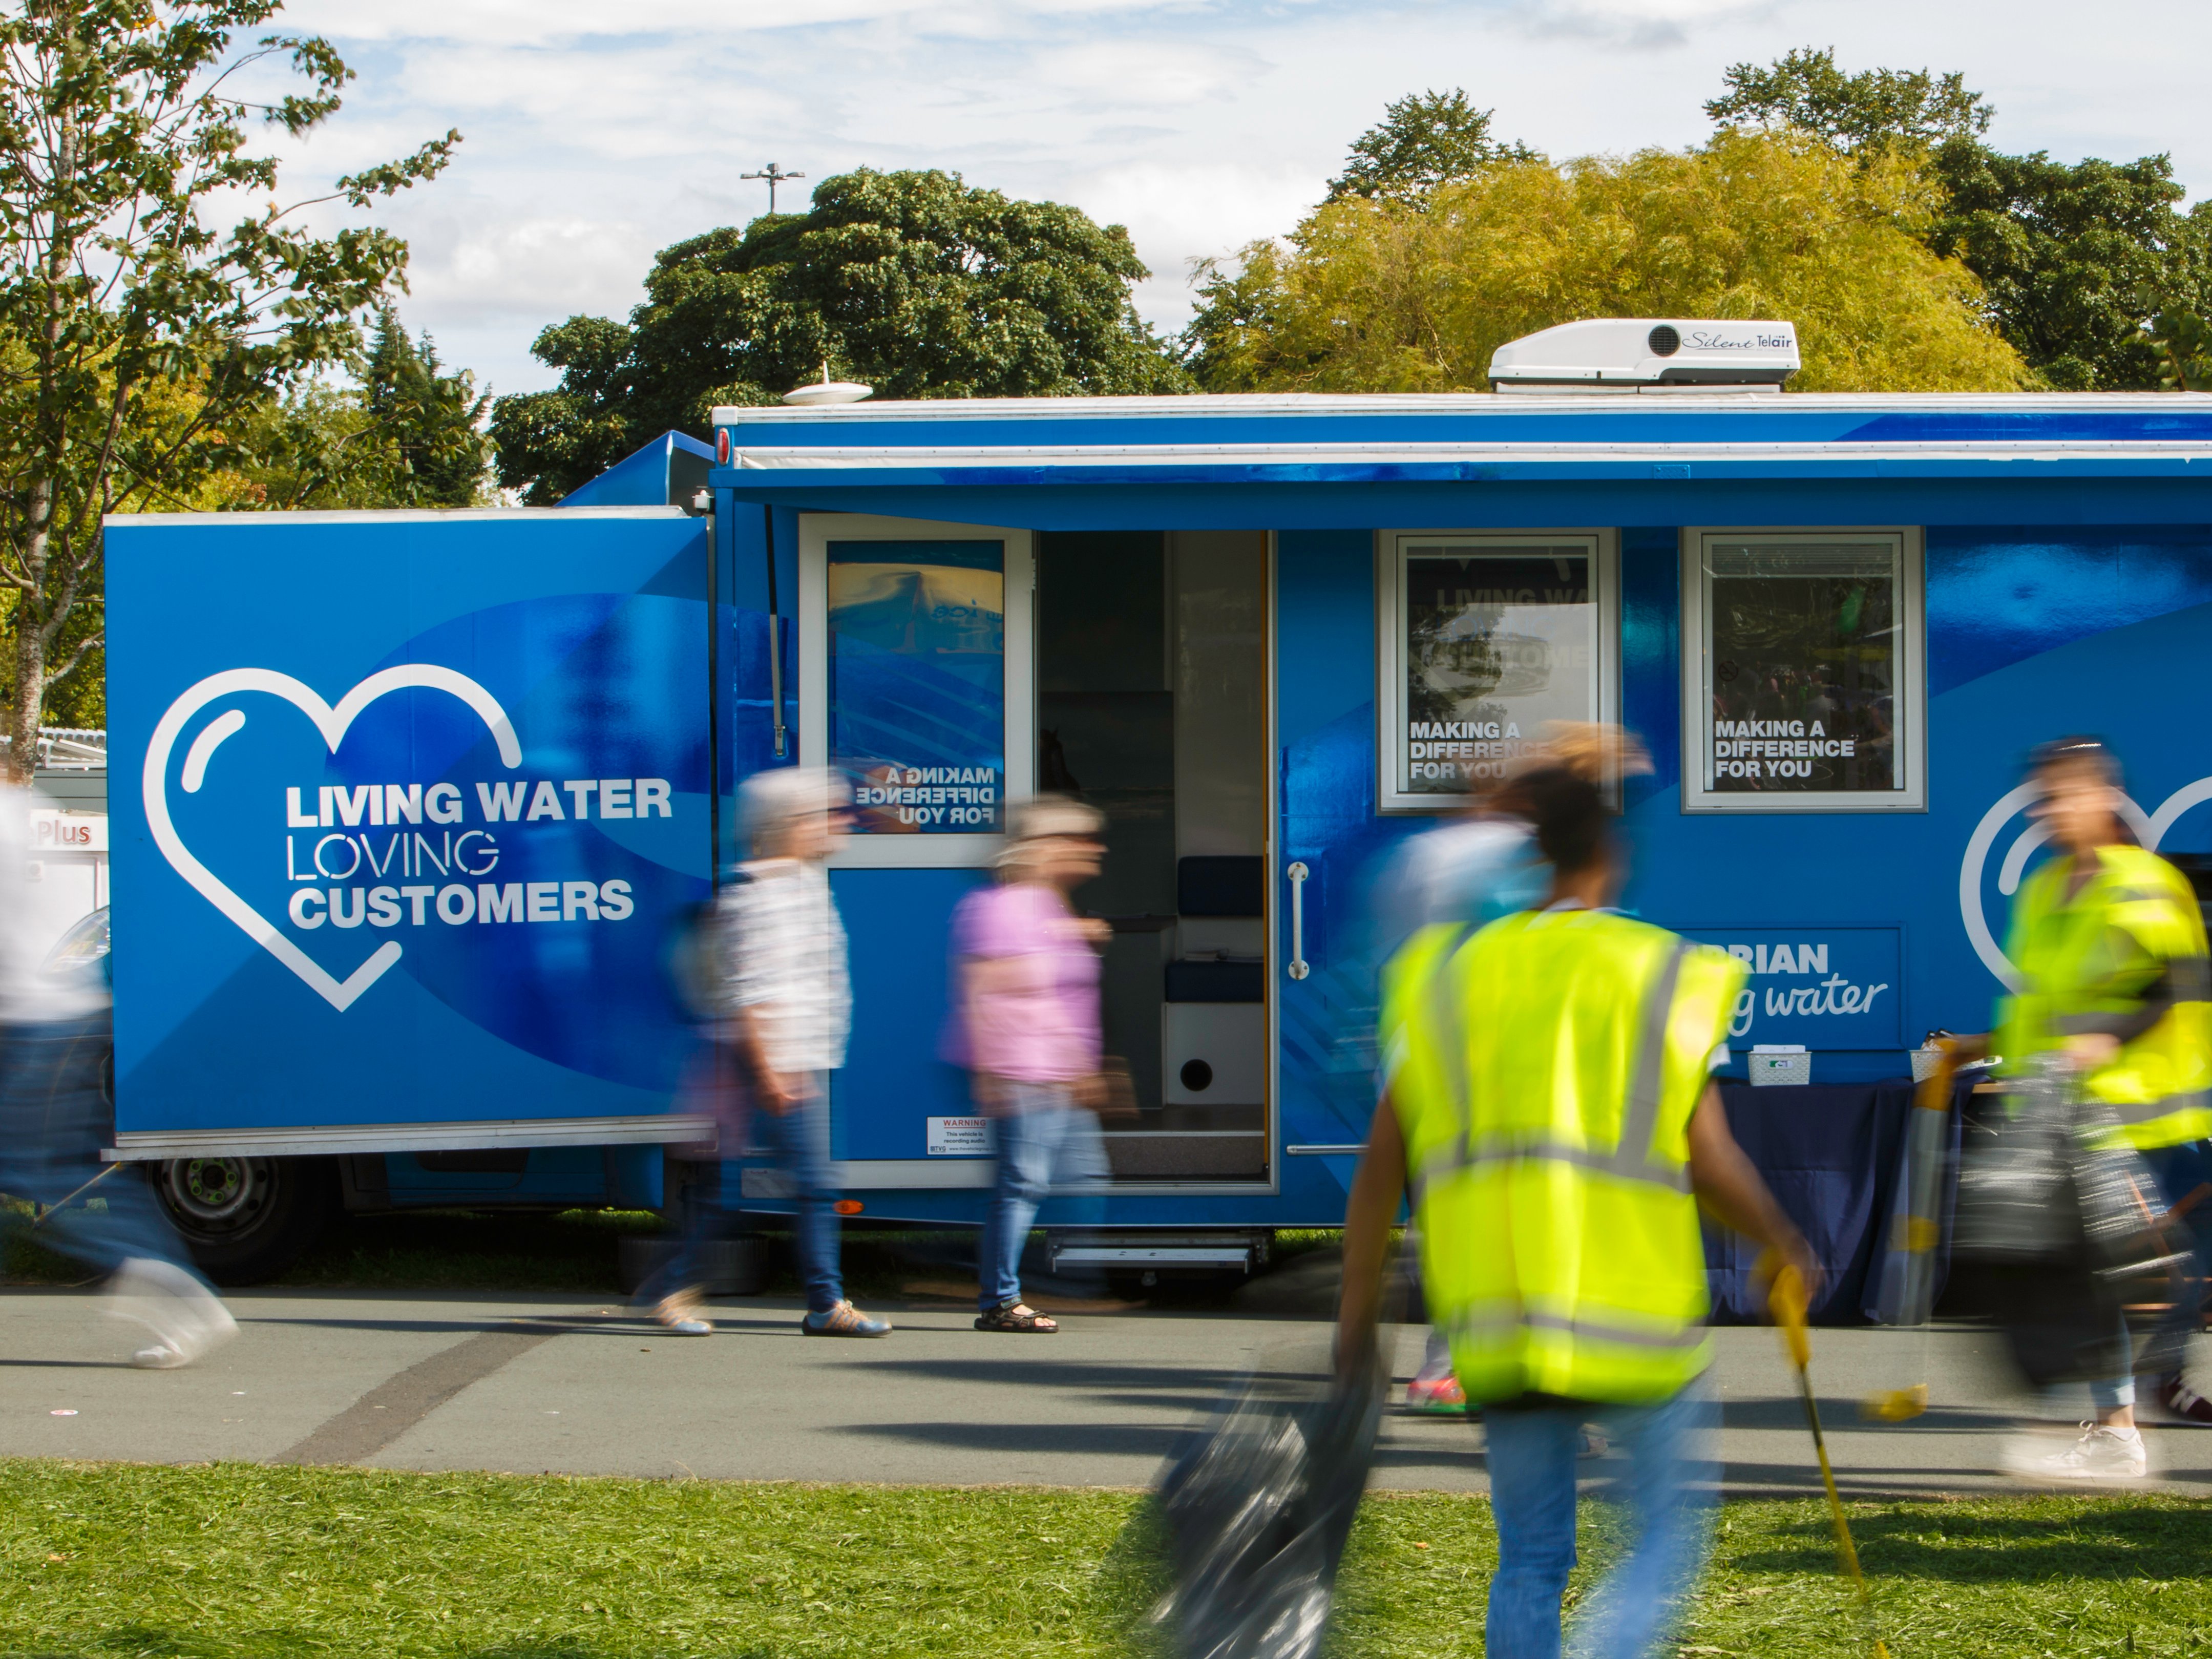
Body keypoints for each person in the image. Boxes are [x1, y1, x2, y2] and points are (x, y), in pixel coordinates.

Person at [1339, 766, 1818, 1659]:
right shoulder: (1659, 969)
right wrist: (1780, 1240)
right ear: (1608, 855)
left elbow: (1379, 1166)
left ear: (1534, 855)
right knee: (1655, 1541)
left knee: (1526, 1558)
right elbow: (1706, 1158)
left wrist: (1356, 1321)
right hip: (1633, 1322)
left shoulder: (1448, 976)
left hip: (1500, 1325)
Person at [1367, 724, 1649, 1414]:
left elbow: (1390, 957)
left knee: (1443, 1216)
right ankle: (1531, 1366)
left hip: (1424, 1061)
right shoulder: (1524, 857)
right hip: (1511, 1065)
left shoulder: (1418, 854)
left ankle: (1446, 1363)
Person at [1950, 737, 2211, 1478]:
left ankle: (2118, 1427)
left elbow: (2172, 984)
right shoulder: (2042, 889)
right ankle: (2113, 1420)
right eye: (2042, 797)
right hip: (2064, 1107)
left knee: (2113, 1266)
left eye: (2064, 794)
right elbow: (2042, 1005)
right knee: (2090, 1264)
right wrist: (1979, 1048)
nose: (2050, 811)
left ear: (2101, 797)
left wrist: (2104, 1037)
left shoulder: (2140, 883)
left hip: (2138, 1109)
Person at [0, 786, 236, 1368]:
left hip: (28, 1022)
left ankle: (174, 1289)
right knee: (53, 1171)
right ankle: (174, 1289)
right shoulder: (23, 807)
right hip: (52, 1014)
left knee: (49, 1174)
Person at [712, 767, 890, 1338]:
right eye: (827, 813)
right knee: (814, 1181)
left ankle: (669, 1281)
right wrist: (772, 1071)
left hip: (806, 1057)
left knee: (749, 1184)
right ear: (788, 824)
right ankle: (824, 1303)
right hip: (780, 1060)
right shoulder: (756, 890)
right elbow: (751, 990)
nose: (842, 822)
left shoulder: (804, 881)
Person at [947, 794, 1115, 1333]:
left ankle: (1057, 1282)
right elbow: (981, 988)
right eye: (1073, 837)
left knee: (1081, 1177)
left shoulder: (1044, 906)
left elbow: (1049, 979)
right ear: (1038, 847)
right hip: (1022, 1069)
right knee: (1021, 1184)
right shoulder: (1005, 906)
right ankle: (1000, 1298)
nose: (1090, 847)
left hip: (1056, 1072)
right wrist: (989, 1071)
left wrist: (1083, 1068)